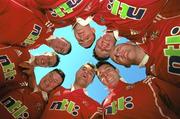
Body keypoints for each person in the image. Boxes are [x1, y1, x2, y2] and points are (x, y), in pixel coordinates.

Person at [92, 0, 180, 59]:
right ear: (113, 49)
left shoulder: (96, 17)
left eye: (99, 47)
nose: (103, 47)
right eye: (106, 51)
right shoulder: (138, 36)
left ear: (97, 40)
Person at [110, 16, 180, 88]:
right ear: (126, 65)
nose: (118, 54)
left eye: (118, 49)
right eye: (116, 59)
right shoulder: (155, 80)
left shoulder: (152, 27)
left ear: (129, 42)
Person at [96, 61, 180, 118]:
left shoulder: (149, 82)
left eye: (108, 69)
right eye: (101, 76)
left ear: (117, 71)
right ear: (101, 82)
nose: (105, 74)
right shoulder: (103, 106)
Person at [15, 0, 100, 48]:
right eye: (87, 38)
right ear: (93, 30)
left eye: (80, 41)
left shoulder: (56, 24)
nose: (82, 37)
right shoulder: (94, 6)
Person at [0, 0, 71, 55]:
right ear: (63, 38)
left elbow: (8, 48)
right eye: (64, 44)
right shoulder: (52, 23)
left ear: (56, 51)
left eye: (61, 50)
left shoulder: (34, 47)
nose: (60, 46)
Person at [0, 62, 65, 119]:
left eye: (55, 81)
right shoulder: (23, 81)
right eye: (50, 76)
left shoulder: (46, 107)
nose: (50, 80)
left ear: (56, 88)